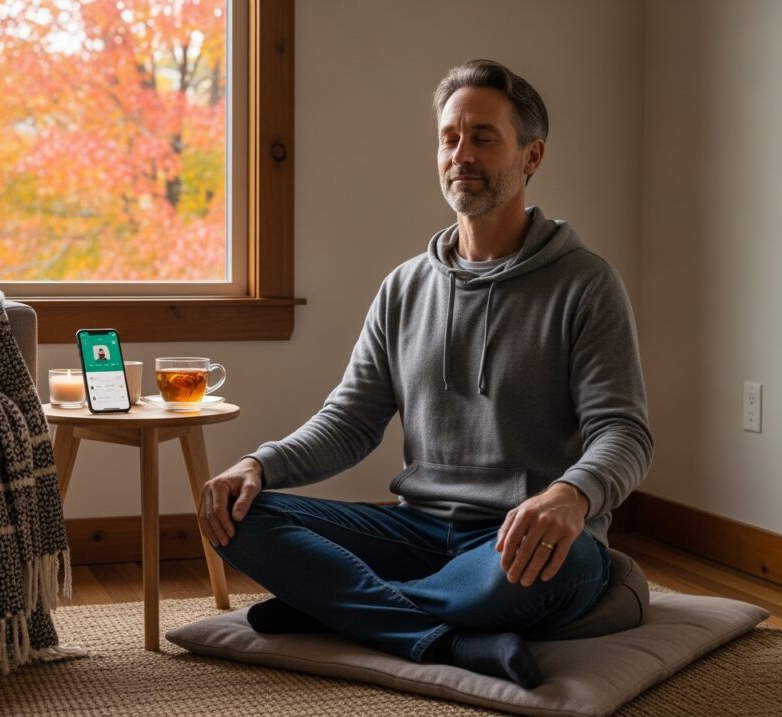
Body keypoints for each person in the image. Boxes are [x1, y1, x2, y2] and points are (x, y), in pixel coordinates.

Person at [199, 59, 653, 689]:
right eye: (449, 138)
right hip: (415, 529)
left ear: (531, 156)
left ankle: (340, 607)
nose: (460, 154)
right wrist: (259, 465)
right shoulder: (405, 286)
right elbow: (350, 421)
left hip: (519, 537)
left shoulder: (586, 285)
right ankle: (445, 638)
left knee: (572, 563)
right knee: (239, 515)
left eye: (483, 137)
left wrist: (570, 496)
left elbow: (624, 434)